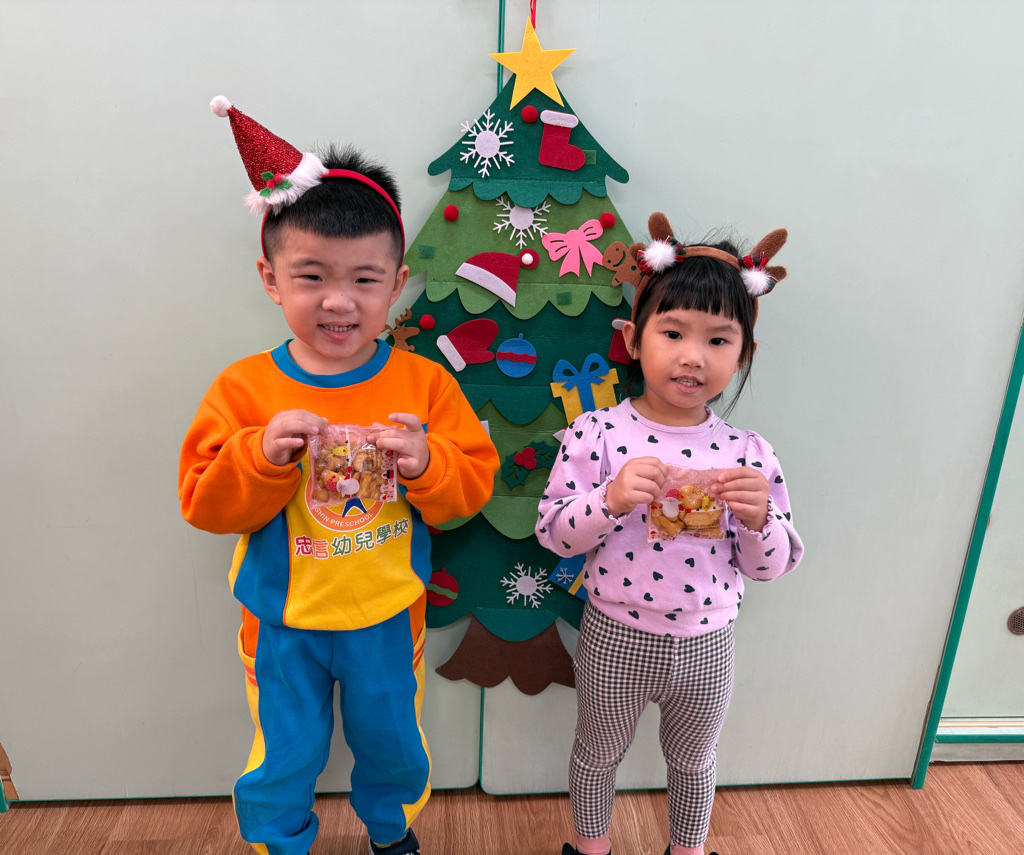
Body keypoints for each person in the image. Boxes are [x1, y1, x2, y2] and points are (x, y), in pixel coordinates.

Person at [179, 97, 499, 855]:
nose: (338, 300)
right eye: (311, 275)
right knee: (284, 753)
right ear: (271, 278)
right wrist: (259, 454)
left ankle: (392, 833)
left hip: (387, 614)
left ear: (395, 283)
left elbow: (470, 490)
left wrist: (427, 463)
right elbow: (203, 502)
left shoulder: (423, 384)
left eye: (364, 279)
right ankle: (279, 841)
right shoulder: (244, 388)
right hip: (280, 619)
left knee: (394, 743)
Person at [536, 213, 804, 855]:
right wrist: (609, 499)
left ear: (744, 354)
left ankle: (688, 848)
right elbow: (554, 535)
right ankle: (590, 847)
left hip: (708, 643)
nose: (692, 355)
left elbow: (769, 567)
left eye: (719, 340)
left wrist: (759, 518)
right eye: (674, 332)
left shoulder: (748, 453)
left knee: (694, 761)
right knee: (595, 753)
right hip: (614, 633)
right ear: (633, 339)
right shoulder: (598, 434)